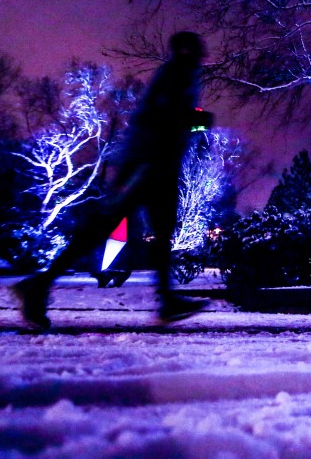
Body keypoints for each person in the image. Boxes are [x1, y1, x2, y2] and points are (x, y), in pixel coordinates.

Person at [13, 31, 211, 328]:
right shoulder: (177, 73)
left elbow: (165, 114)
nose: (202, 57)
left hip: (157, 164)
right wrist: (196, 120)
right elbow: (159, 115)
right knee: (104, 228)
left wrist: (190, 121)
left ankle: (167, 300)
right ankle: (39, 286)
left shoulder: (180, 74)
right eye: (197, 51)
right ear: (188, 51)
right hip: (146, 163)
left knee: (156, 232)